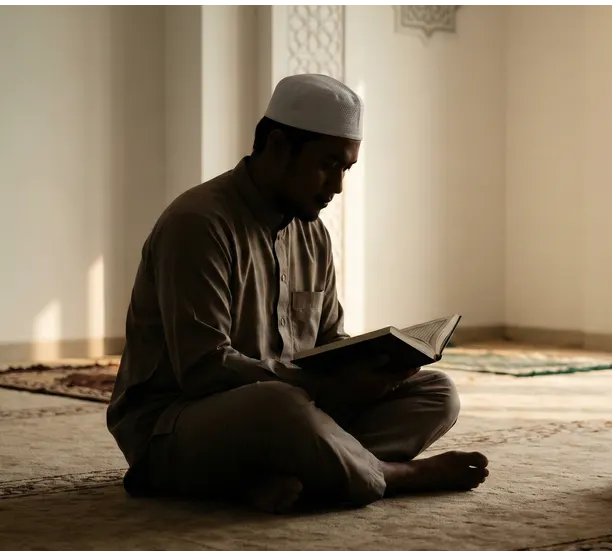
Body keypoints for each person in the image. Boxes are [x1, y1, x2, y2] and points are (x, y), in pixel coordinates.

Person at [107, 73, 488, 514]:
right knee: (279, 404)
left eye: (346, 169)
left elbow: (328, 341)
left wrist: (371, 369)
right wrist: (320, 387)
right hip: (177, 422)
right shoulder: (198, 225)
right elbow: (202, 369)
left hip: (294, 409)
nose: (338, 186)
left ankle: (288, 477)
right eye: (327, 165)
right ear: (277, 147)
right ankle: (391, 474)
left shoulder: (313, 233)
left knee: (436, 392)